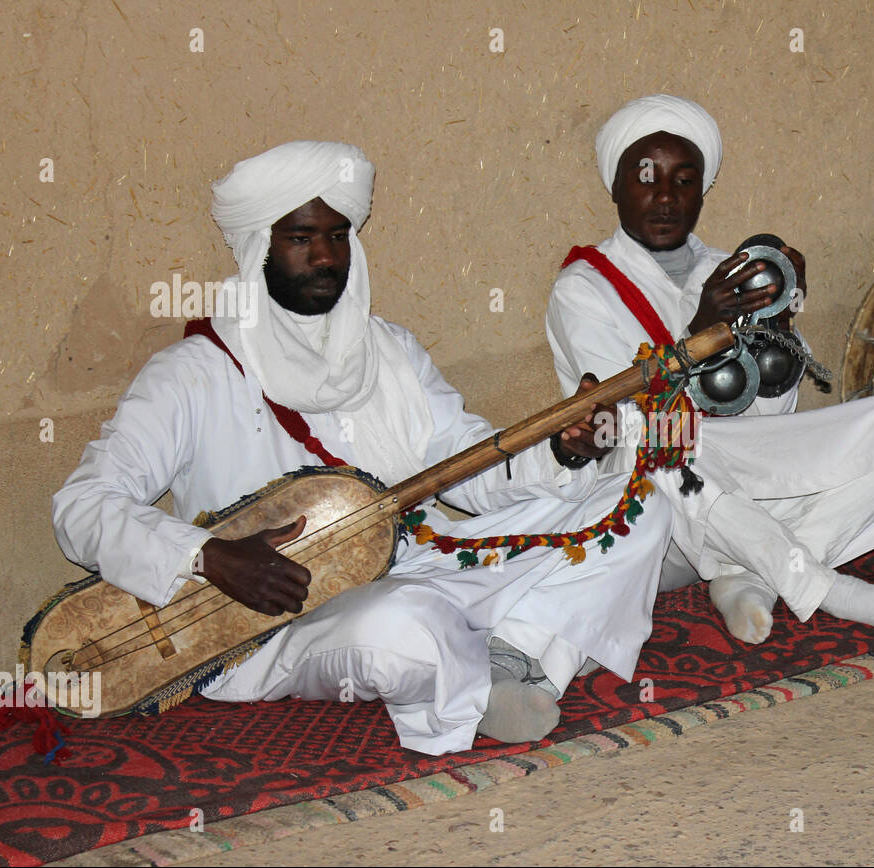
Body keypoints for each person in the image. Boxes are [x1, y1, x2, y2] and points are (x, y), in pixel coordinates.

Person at [52, 140, 674, 755]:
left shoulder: (390, 352)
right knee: (400, 627)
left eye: (338, 234)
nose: (325, 256)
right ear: (256, 247)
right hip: (286, 621)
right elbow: (81, 507)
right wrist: (209, 556)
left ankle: (512, 656)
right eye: (300, 237)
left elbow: (470, 464)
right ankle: (524, 645)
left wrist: (562, 451)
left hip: (425, 560)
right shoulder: (193, 373)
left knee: (640, 504)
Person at [546, 95, 874, 644]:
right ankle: (816, 584)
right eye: (646, 177)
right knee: (661, 437)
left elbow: (771, 413)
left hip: (741, 477)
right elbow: (619, 417)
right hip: (658, 510)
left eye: (684, 181)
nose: (665, 197)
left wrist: (782, 319)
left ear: (702, 190)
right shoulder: (583, 287)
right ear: (617, 185)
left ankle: (750, 574)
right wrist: (703, 330)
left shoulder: (734, 270)